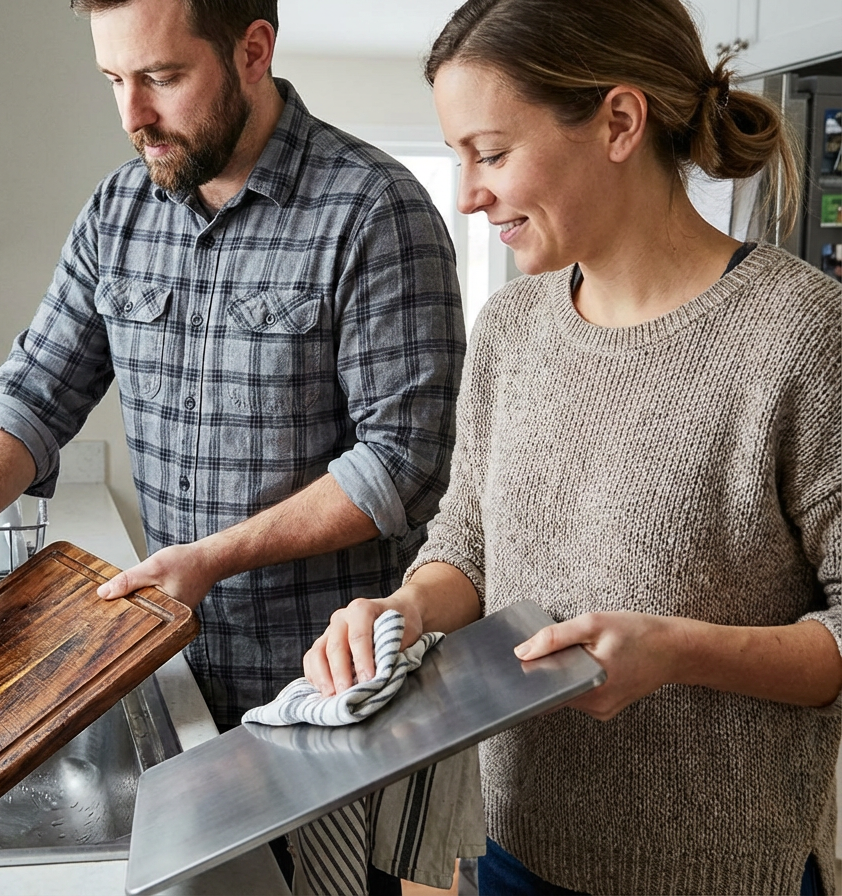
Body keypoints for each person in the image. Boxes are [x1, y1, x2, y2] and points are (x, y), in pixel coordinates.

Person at [0, 0, 477, 892]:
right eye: (115, 81)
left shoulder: (375, 211)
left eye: (160, 78)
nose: (132, 115)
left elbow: (404, 461)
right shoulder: (119, 212)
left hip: (324, 695)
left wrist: (213, 558)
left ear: (252, 50)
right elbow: (34, 389)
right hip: (175, 678)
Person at [303, 0, 842, 894]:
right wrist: (398, 612)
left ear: (619, 123)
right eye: (460, 157)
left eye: (493, 152)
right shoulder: (512, 328)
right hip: (518, 851)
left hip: (724, 875)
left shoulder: (800, 335)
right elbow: (467, 550)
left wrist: (677, 650)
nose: (469, 191)